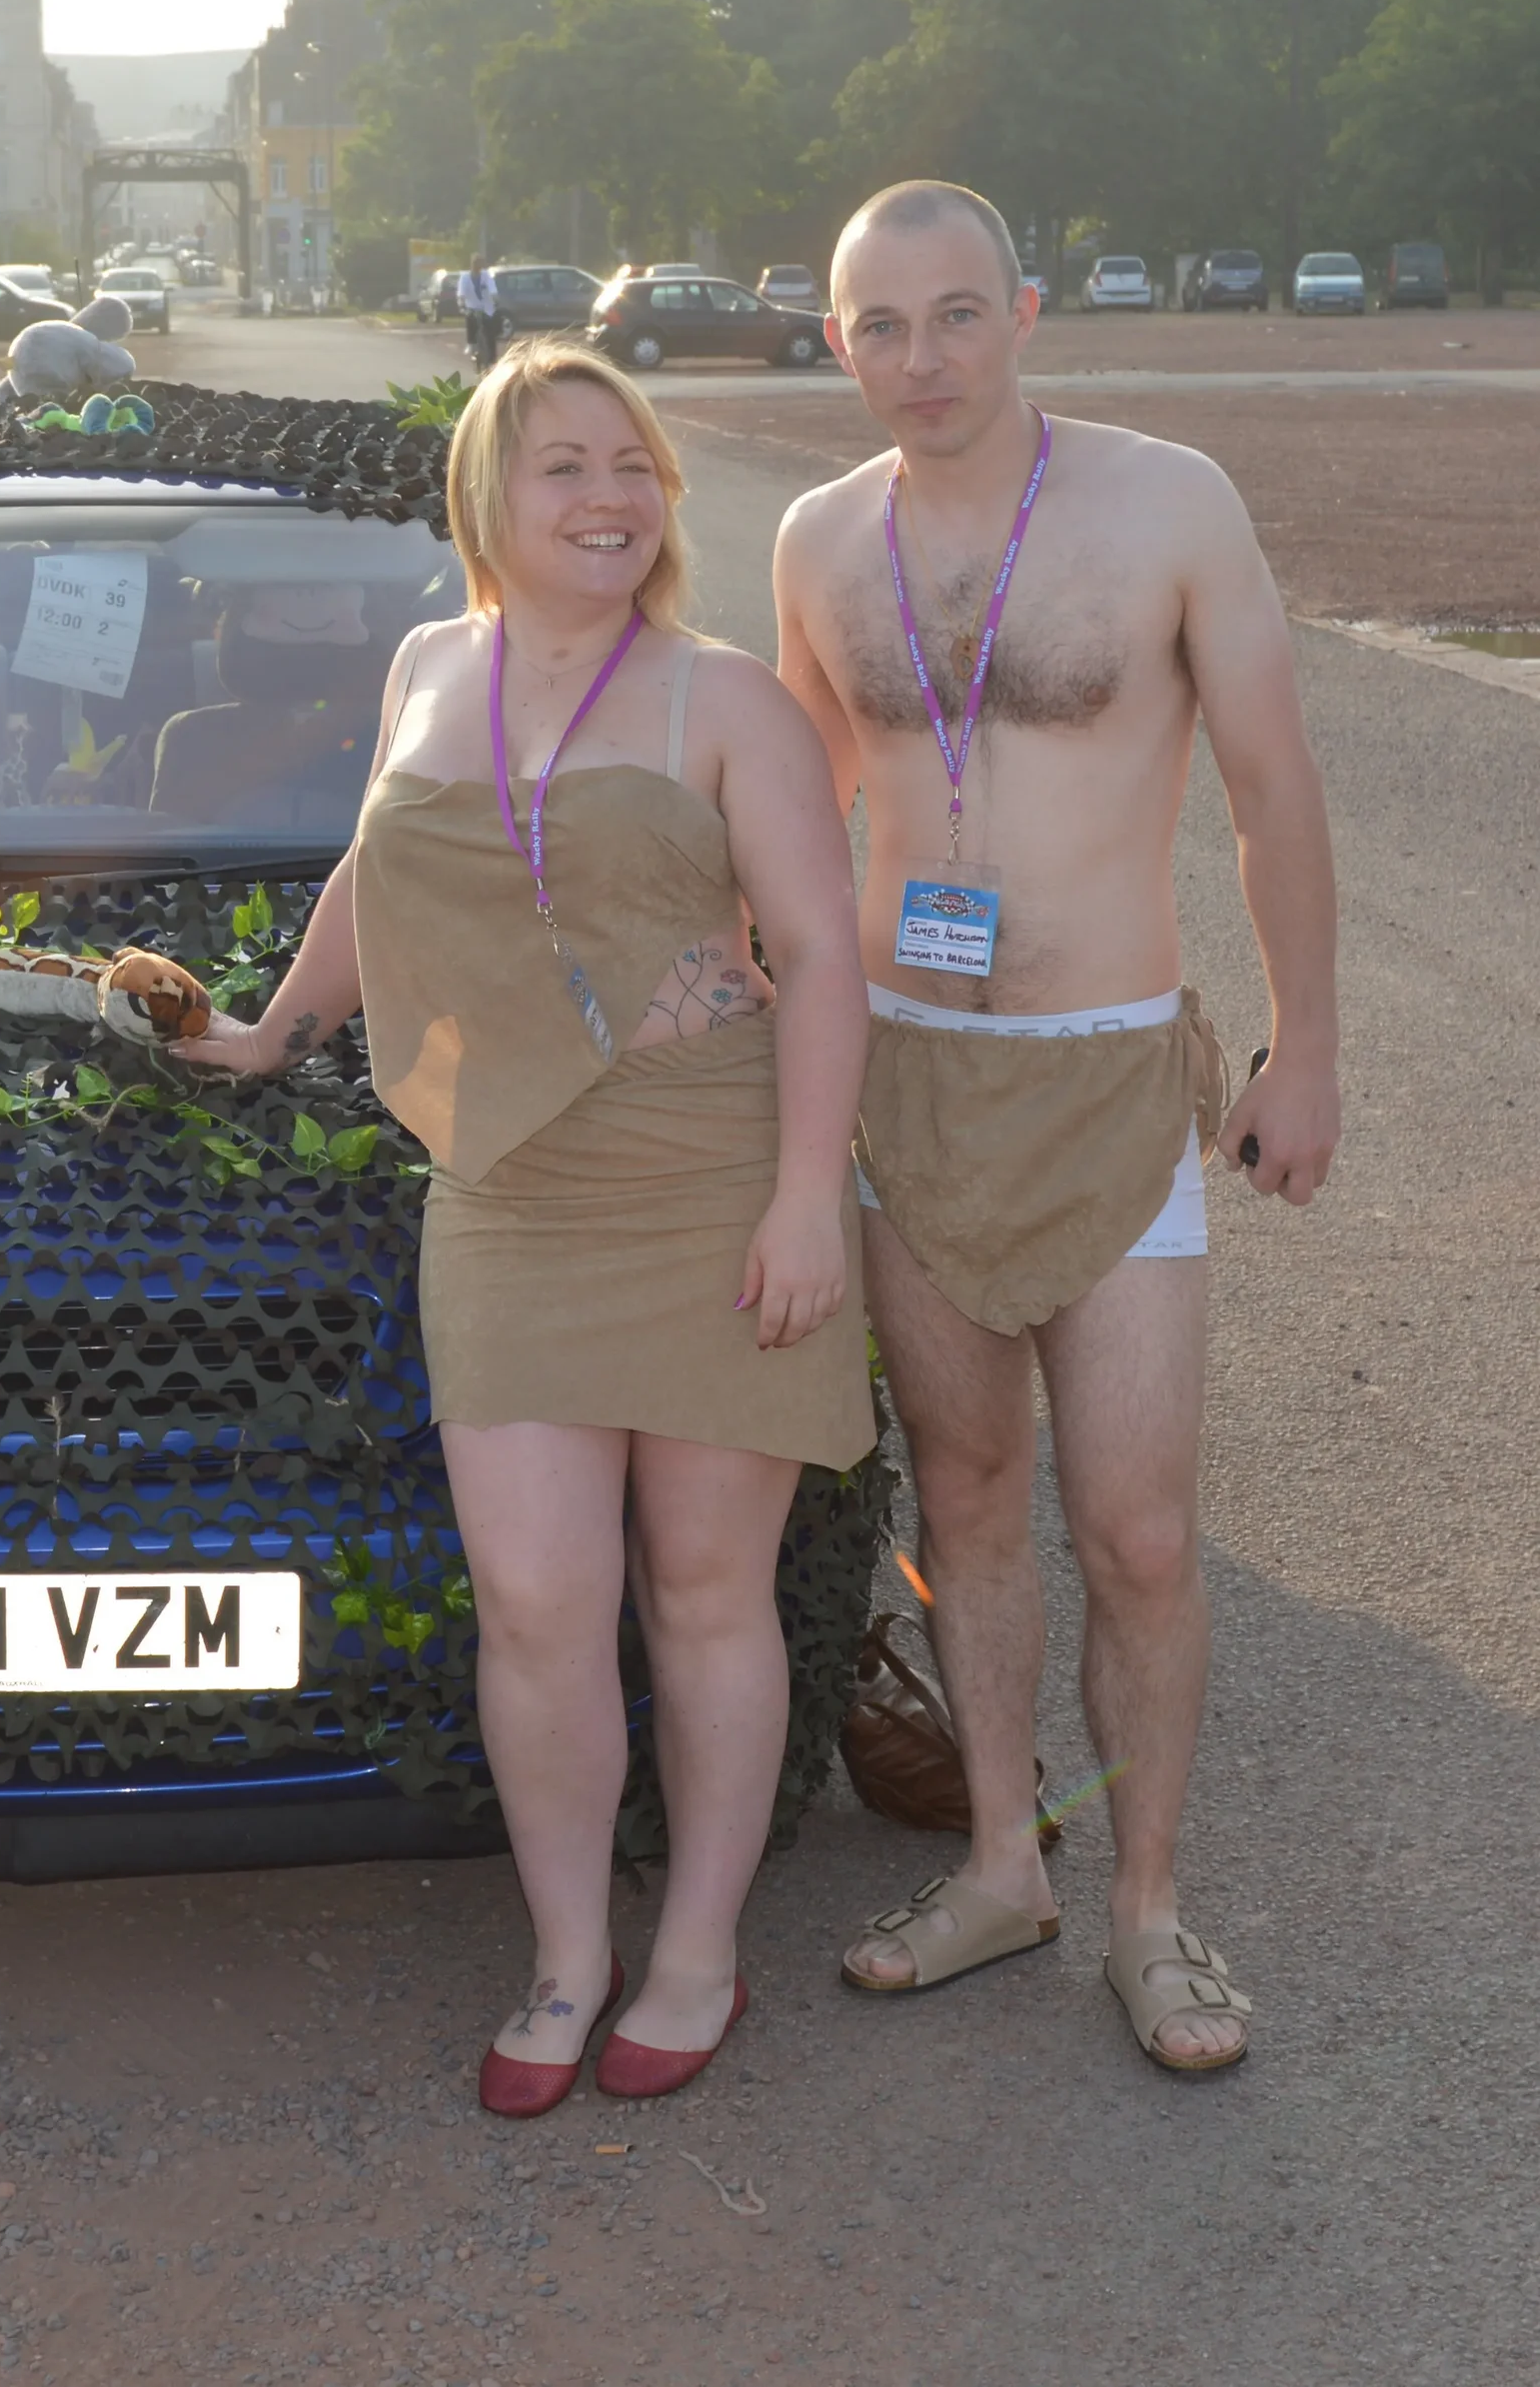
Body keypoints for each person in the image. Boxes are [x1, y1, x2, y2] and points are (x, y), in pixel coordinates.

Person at [177, 341, 873, 2112]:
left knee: (711, 1590)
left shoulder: (724, 698)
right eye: (565, 466)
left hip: (707, 1176)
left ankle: (699, 1946)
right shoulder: (430, 665)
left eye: (633, 464)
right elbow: (371, 873)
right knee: (541, 1599)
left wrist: (808, 1195)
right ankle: (568, 1954)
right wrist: (275, 1029)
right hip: (502, 1188)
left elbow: (820, 957)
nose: (610, 498)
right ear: (489, 497)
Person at [770, 181, 1340, 2074]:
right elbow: (791, 818)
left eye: (953, 314)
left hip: (1112, 1076)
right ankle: (1006, 1862)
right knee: (971, 1500)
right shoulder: (814, 538)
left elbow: (1270, 792)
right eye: (879, 325)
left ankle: (1153, 1914)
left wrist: (1306, 1049)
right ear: (835, 338)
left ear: (1022, 311)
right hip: (913, 1079)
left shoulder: (1167, 501)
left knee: (1146, 1527)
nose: (919, 358)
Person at [459, 254, 501, 373]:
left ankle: (492, 359)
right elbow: (461, 294)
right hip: (471, 307)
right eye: (476, 264)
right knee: (470, 321)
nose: (478, 267)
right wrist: (461, 304)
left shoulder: (486, 276)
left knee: (490, 333)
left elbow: (493, 290)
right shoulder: (465, 277)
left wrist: (496, 299)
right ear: (472, 265)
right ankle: (471, 345)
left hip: (487, 308)